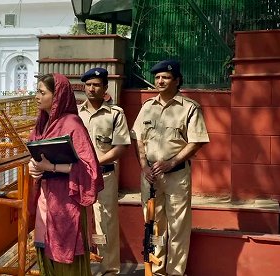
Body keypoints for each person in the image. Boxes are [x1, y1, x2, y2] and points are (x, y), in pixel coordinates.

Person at [130, 60, 209, 276]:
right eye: (157, 77)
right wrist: (144, 166)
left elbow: (197, 140)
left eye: (165, 77)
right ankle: (155, 270)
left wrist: (172, 162)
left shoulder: (189, 108)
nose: (160, 81)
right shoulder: (147, 107)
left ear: (177, 81)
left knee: (178, 227)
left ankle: (175, 272)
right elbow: (138, 139)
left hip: (176, 176)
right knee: (153, 225)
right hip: (150, 178)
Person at [28, 73, 104, 276]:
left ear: (57, 96)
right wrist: (33, 166)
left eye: (41, 92)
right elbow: (34, 153)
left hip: (67, 200)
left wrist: (50, 167)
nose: (36, 96)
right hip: (46, 198)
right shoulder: (41, 123)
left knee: (67, 257)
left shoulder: (72, 124)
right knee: (45, 249)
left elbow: (89, 168)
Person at [77, 68, 130, 276]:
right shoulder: (76, 114)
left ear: (105, 88)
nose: (92, 88)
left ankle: (109, 269)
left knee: (105, 222)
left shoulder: (115, 114)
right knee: (81, 222)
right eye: (88, 84)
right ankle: (84, 269)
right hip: (78, 177)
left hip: (104, 175)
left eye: (97, 84)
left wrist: (95, 162)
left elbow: (121, 146)